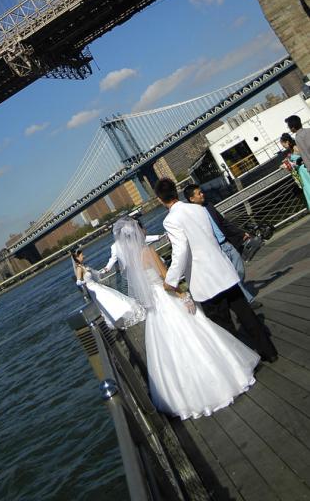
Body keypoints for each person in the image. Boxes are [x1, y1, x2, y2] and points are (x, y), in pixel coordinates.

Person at [112, 217, 259, 420]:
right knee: (196, 331)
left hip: (155, 308)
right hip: (167, 298)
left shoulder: (129, 261)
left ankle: (182, 397)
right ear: (139, 232)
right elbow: (167, 280)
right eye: (142, 227)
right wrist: (184, 295)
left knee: (169, 349)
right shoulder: (148, 251)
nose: (145, 229)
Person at [155, 177, 277, 363]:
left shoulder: (170, 220)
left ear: (160, 199)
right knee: (246, 314)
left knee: (223, 324)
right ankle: (269, 352)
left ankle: (243, 363)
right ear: (176, 191)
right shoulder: (198, 208)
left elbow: (181, 251)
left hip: (205, 279)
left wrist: (170, 280)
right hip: (223, 270)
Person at [183, 183, 259, 307]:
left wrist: (241, 233)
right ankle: (249, 301)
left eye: (201, 192)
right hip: (216, 249)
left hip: (227, 243)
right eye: (199, 193)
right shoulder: (191, 215)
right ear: (192, 199)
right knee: (233, 274)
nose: (202, 194)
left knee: (239, 270)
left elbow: (224, 223)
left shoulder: (209, 206)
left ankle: (237, 291)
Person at [71, 247, 146, 329]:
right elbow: (78, 282)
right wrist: (84, 282)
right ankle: (117, 319)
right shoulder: (79, 268)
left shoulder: (83, 266)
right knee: (107, 302)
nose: (84, 256)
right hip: (93, 289)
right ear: (77, 257)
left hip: (97, 286)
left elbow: (96, 274)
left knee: (113, 298)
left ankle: (123, 315)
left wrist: (103, 271)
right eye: (82, 255)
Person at [280, 133, 310, 209]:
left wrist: (290, 163)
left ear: (287, 142)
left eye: (283, 144)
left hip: (304, 170)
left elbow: (304, 157)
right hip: (301, 173)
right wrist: (287, 162)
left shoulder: (296, 147)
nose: (283, 146)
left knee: (308, 189)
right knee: (307, 189)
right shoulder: (291, 151)